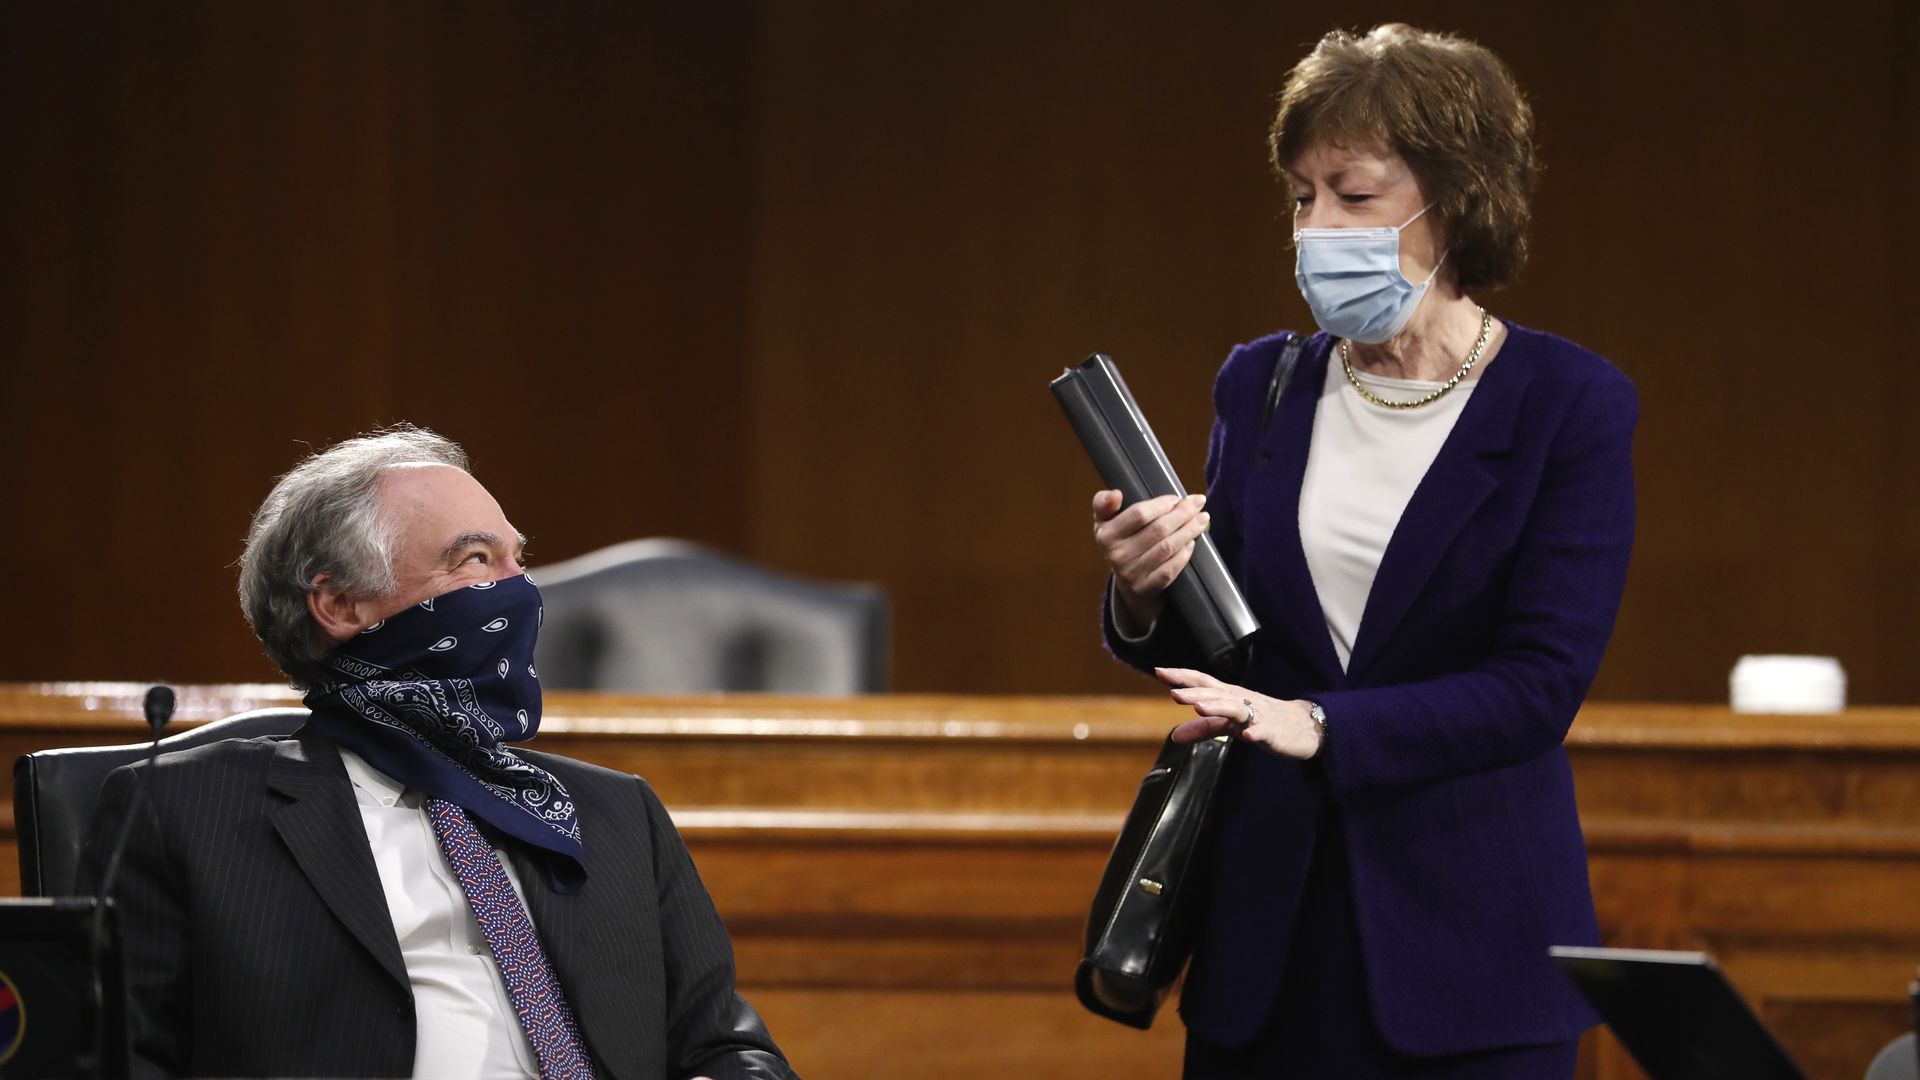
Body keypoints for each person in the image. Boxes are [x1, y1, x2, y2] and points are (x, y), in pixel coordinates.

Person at [1091, 24, 1635, 1080]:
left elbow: (1537, 688)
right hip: (1268, 946)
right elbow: (1236, 651)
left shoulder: (1570, 404)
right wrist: (1146, 589)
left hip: (1470, 955)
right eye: (1302, 196)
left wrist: (1322, 724)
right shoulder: (1263, 383)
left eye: (1354, 194)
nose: (1316, 228)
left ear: (1457, 199)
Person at [79, 426, 797, 1080]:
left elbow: (727, 1047)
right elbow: (118, 1061)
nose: (518, 592)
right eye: (475, 560)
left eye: (519, 561)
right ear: (340, 606)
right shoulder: (186, 813)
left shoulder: (615, 814)